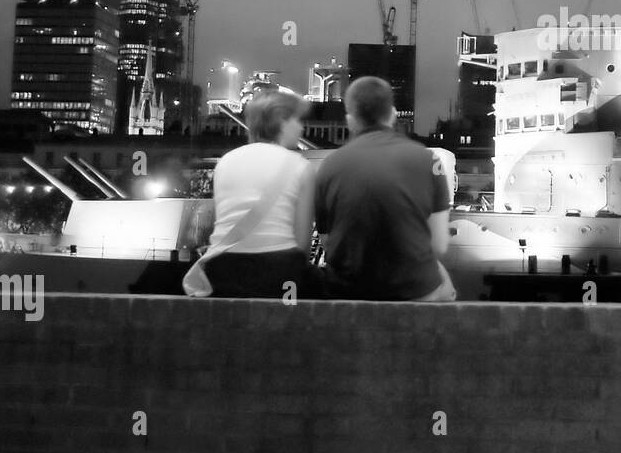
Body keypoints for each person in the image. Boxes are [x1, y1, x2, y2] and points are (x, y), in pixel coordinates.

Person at [314, 76, 455, 301]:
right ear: (392, 114)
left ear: (350, 121)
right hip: (414, 291)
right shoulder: (430, 161)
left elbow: (328, 244)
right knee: (447, 287)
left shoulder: (328, 167)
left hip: (347, 293)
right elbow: (439, 246)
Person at [184, 91, 323, 298]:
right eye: (297, 120)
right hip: (279, 271)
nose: (302, 127)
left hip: (222, 270)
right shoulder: (301, 166)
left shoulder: (226, 162)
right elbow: (302, 245)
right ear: (282, 121)